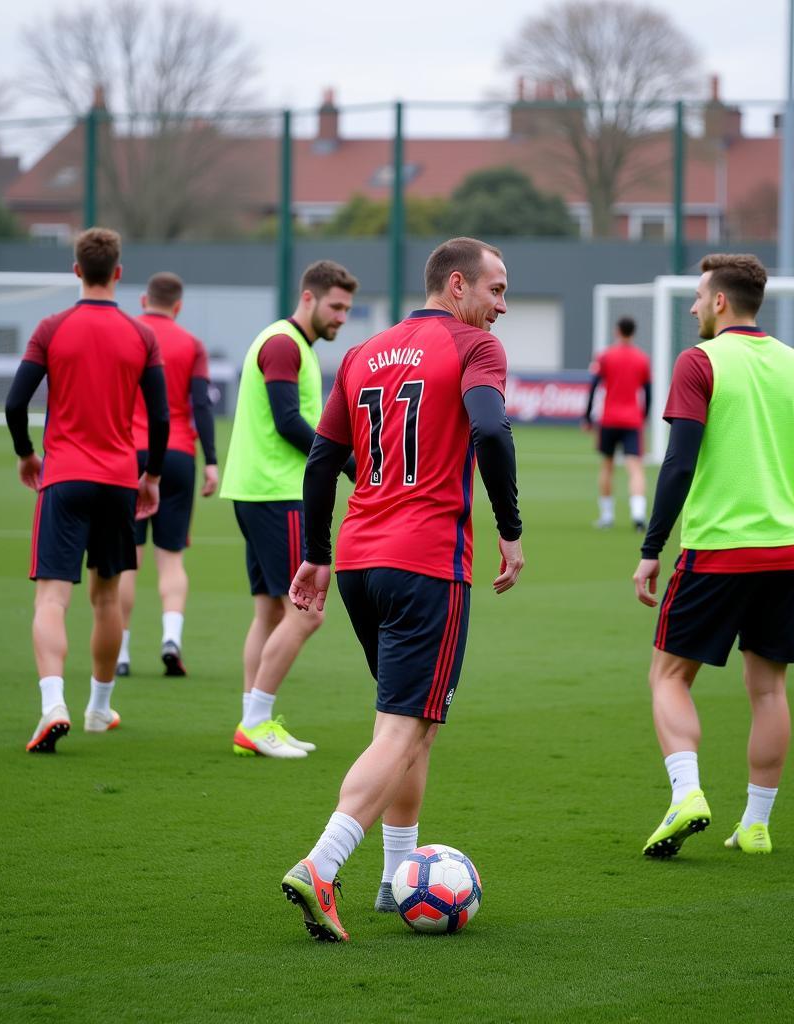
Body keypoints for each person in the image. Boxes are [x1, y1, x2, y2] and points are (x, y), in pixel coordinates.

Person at [282, 236, 525, 942]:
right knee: (404, 725)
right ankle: (321, 867)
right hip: (427, 562)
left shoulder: (362, 354)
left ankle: (396, 878)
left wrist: (318, 556)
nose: (502, 307)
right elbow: (491, 429)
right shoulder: (475, 350)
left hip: (361, 561)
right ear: (457, 285)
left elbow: (325, 459)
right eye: (497, 290)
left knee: (409, 722)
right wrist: (509, 526)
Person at [632, 253, 794, 857]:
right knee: (770, 691)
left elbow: (679, 463)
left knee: (668, 676)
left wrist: (652, 548)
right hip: (784, 554)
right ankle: (756, 825)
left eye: (699, 296)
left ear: (720, 301)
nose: (694, 306)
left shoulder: (699, 361)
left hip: (718, 552)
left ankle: (687, 794)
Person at [4, 227, 169, 753]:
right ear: (118, 273)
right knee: (105, 599)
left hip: (65, 477)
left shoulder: (51, 328)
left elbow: (14, 403)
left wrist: (26, 453)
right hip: (119, 480)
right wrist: (152, 477)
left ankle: (54, 704)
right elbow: (160, 418)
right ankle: (99, 708)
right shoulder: (141, 336)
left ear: (77, 271)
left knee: (52, 598)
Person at [219, 260, 358, 759]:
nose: (342, 317)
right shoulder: (284, 344)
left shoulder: (288, 343)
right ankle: (255, 723)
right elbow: (286, 422)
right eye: (336, 306)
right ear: (309, 297)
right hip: (276, 493)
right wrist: (348, 462)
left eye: (347, 309)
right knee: (307, 612)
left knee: (270, 612)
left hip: (255, 491)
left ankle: (254, 723)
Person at [116, 272, 218, 679]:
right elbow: (202, 406)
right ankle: (170, 638)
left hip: (128, 453)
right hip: (177, 454)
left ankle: (120, 650)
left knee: (128, 558)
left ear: (144, 299)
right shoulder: (191, 344)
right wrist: (210, 460)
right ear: (178, 306)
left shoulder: (126, 335)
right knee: (172, 559)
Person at [582, 316, 651, 530]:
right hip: (632, 420)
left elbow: (594, 387)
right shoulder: (642, 359)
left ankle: (607, 516)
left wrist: (587, 417)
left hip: (609, 419)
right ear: (634, 332)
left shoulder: (605, 356)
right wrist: (645, 416)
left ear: (617, 331)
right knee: (636, 468)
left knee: (607, 466)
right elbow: (648, 392)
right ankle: (638, 516)